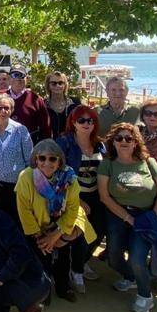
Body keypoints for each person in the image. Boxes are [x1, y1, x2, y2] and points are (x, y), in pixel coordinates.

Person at [98, 122, 157, 312]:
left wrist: (153, 217)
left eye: (128, 138)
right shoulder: (107, 164)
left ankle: (145, 295)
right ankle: (131, 277)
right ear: (112, 142)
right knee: (113, 258)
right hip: (118, 215)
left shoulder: (148, 162)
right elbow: (104, 197)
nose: (124, 141)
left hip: (146, 214)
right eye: (119, 138)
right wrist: (128, 218)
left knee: (137, 258)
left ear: (136, 142)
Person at [16, 139, 96, 303]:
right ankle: (44, 293)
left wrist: (55, 234)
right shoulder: (26, 177)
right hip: (37, 228)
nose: (47, 163)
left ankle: (63, 287)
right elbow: (24, 209)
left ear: (59, 160)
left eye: (52, 158)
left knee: (64, 257)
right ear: (36, 160)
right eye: (42, 158)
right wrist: (40, 237)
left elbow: (73, 208)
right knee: (41, 258)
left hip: (61, 224)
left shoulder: (69, 177)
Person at [54, 104, 107, 289]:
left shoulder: (100, 145)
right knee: (79, 231)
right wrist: (76, 200)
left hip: (96, 194)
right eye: (81, 120)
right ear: (73, 123)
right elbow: (57, 174)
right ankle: (76, 271)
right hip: (73, 195)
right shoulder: (65, 143)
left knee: (100, 229)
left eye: (90, 120)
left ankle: (83, 262)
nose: (86, 123)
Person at [7, 66, 50, 142]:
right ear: (9, 79)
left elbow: (45, 127)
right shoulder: (0, 97)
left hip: (30, 144)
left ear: (27, 79)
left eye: (22, 75)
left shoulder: (36, 99)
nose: (18, 78)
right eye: (14, 75)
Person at [44, 71, 78, 137]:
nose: (57, 86)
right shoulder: (43, 105)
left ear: (65, 85)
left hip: (72, 144)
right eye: (54, 83)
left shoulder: (75, 103)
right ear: (48, 86)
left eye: (60, 83)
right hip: (51, 145)